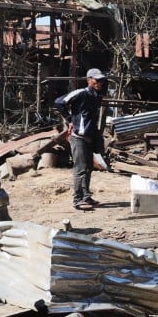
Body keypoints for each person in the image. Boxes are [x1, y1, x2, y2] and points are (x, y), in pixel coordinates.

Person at [54, 68, 107, 210]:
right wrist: (70, 119)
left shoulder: (97, 96)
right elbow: (59, 102)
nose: (99, 83)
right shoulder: (81, 93)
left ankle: (86, 197)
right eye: (96, 80)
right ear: (89, 80)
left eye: (101, 80)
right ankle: (77, 200)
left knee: (89, 168)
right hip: (79, 137)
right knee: (80, 169)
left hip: (90, 137)